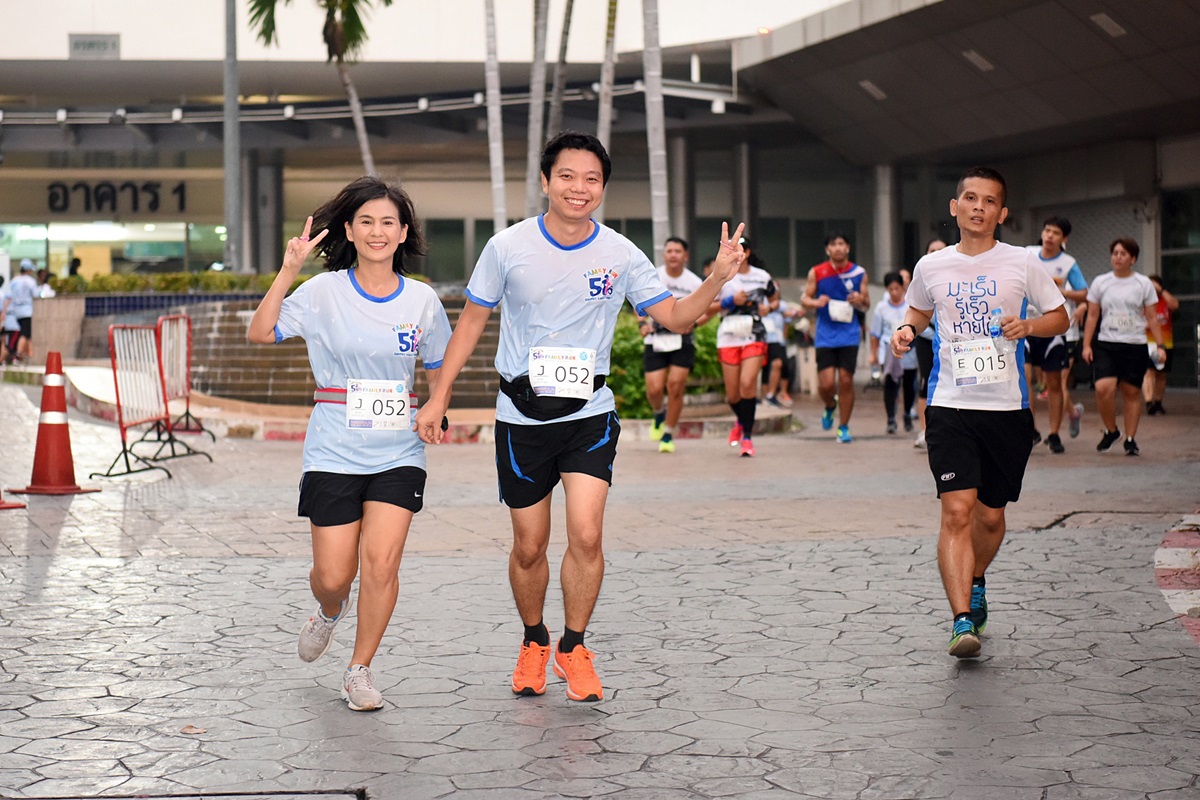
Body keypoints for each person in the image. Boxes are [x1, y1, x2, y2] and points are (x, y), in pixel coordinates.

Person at [413, 131, 745, 703]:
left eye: (592, 179)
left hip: (590, 411)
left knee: (587, 535)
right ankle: (534, 639)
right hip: (521, 415)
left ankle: (573, 645)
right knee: (529, 545)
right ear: (546, 181)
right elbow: (470, 323)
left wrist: (715, 278)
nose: (579, 188)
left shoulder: (621, 253)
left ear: (603, 188)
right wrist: (439, 395)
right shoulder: (507, 247)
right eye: (567, 176)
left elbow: (675, 318)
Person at [247, 176, 451, 711]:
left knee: (381, 564)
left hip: (399, 450)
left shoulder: (423, 300)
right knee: (335, 575)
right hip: (334, 448)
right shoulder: (322, 292)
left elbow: (439, 365)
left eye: (388, 222)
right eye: (367, 222)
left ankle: (359, 670)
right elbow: (260, 332)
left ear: (403, 233)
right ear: (350, 230)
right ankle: (329, 609)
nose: (377, 231)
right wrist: (289, 270)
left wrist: (436, 405)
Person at [892, 166, 1068, 659]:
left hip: (1006, 407)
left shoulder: (1022, 261)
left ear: (1002, 213)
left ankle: (976, 579)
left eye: (989, 201)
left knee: (990, 517)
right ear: (955, 207)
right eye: (970, 198)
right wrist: (907, 330)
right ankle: (961, 619)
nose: (978, 207)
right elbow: (918, 311)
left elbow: (1060, 316)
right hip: (950, 403)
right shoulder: (931, 266)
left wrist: (1028, 326)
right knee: (956, 510)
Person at [1081, 238, 1165, 457]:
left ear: (1133, 259)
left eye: (1123, 254)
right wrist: (1086, 344)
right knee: (1103, 388)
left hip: (1134, 344)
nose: (1118, 257)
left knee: (1131, 392)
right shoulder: (1101, 282)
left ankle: (1130, 439)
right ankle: (1111, 430)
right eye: (1115, 253)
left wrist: (1161, 346)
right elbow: (1092, 315)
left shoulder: (1143, 283)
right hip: (1106, 343)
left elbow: (1152, 317)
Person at [1023, 217, 1088, 454]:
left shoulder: (1068, 263)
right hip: (1026, 325)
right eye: (1047, 230)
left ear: (1064, 239)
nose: (1050, 236)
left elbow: (1084, 293)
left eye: (1056, 233)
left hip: (1054, 329)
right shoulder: (1027, 254)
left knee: (1054, 383)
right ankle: (1030, 430)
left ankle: (1053, 433)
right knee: (1024, 377)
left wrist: (1061, 292)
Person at [710, 236, 778, 457]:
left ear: (746, 253)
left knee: (748, 384)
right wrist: (731, 302)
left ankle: (747, 438)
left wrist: (769, 308)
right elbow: (708, 306)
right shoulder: (719, 275)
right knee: (733, 395)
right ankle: (741, 421)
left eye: (737, 249)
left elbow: (774, 299)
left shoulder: (762, 276)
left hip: (754, 333)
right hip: (729, 335)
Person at [637, 236, 706, 453]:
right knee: (654, 389)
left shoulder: (694, 282)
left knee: (676, 386)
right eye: (669, 251)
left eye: (678, 251)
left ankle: (668, 433)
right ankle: (659, 412)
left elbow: (706, 311)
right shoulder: (653, 276)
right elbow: (639, 304)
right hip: (655, 339)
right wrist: (642, 324)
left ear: (686, 256)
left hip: (682, 340)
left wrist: (693, 324)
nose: (673, 255)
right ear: (664, 254)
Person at [801, 232, 869, 443]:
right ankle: (830, 405)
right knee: (827, 384)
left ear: (848, 247)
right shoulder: (817, 272)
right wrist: (815, 302)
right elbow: (805, 299)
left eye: (841, 244)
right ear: (827, 249)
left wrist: (859, 299)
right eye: (833, 244)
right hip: (825, 335)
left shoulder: (859, 273)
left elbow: (866, 304)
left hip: (849, 334)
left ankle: (843, 427)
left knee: (846, 381)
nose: (838, 248)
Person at [869, 272, 917, 434]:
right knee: (890, 384)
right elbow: (875, 333)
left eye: (897, 288)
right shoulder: (881, 308)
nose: (894, 292)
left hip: (909, 351)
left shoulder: (910, 307)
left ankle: (907, 414)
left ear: (903, 288)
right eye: (891, 289)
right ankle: (891, 418)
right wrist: (873, 353)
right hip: (888, 351)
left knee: (909, 385)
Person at [912, 238, 947, 449]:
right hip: (927, 339)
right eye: (932, 250)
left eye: (940, 250)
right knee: (926, 383)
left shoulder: (957, 275)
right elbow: (914, 311)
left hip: (952, 341)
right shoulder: (922, 277)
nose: (935, 254)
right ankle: (925, 430)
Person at [1143, 275, 1178, 416]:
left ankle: (1158, 402)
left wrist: (1161, 290)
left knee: (1161, 374)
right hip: (1148, 343)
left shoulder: (1165, 299)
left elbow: (1175, 305)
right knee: (1148, 372)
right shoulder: (1143, 301)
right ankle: (1149, 402)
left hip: (1165, 343)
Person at [7, 260, 39, 363]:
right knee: (24, 333)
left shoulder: (14, 281)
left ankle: (30, 355)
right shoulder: (30, 281)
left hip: (17, 311)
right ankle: (18, 354)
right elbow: (36, 295)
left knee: (28, 335)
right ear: (28, 270)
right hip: (27, 310)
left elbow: (10, 296)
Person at [0, 276, 21, 365]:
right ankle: (2, 360)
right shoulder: (9, 295)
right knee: (10, 344)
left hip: (7, 322)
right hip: (12, 324)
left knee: (4, 342)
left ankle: (3, 360)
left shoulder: (6, 294)